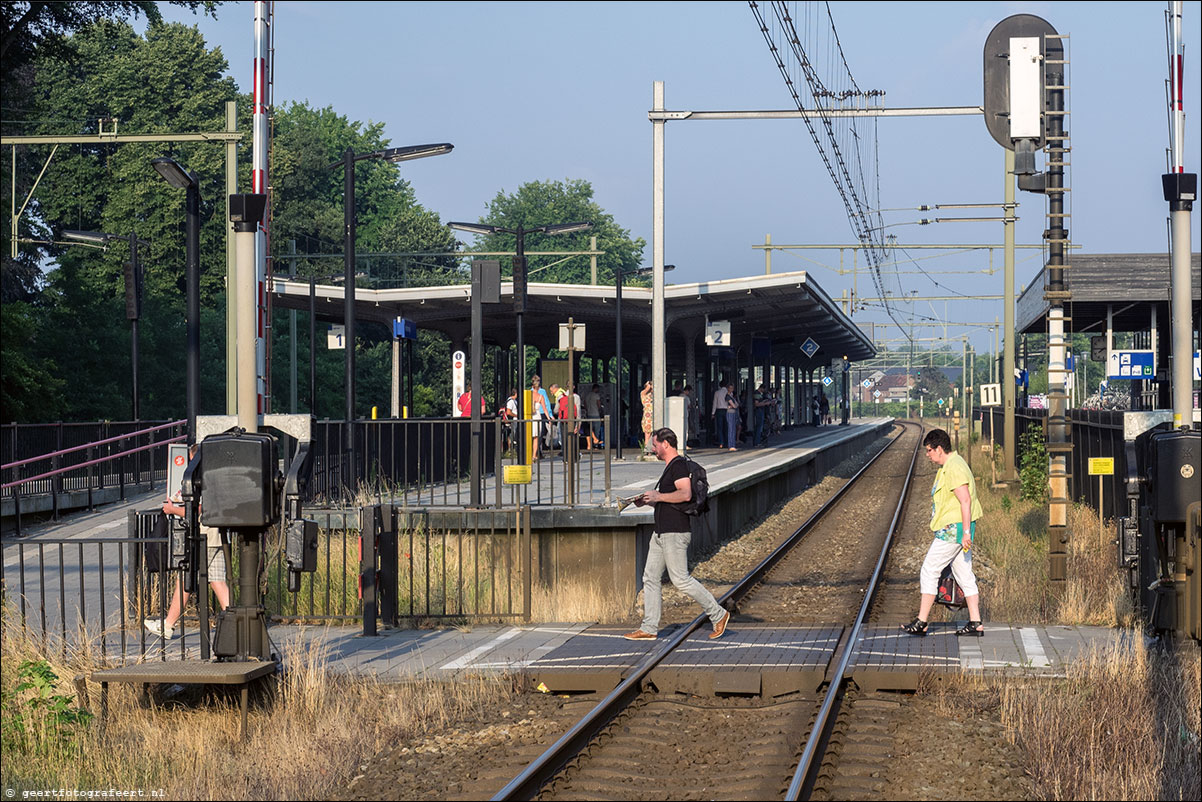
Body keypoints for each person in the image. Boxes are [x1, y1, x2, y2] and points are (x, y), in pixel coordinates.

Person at [623, 427, 730, 641]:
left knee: (680, 579)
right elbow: (669, 499)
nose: (652, 449)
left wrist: (659, 496)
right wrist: (649, 500)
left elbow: (685, 493)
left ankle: (718, 614)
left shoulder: (678, 465)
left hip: (675, 532)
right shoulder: (670, 467)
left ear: (665, 444)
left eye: (654, 445)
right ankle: (649, 627)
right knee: (650, 577)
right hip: (661, 532)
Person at [903, 428, 985, 637]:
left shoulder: (954, 468)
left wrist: (965, 533)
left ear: (939, 449)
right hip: (957, 529)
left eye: (930, 450)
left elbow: (965, 500)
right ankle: (976, 622)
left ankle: (922, 621)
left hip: (954, 530)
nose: (928, 455)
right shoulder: (950, 466)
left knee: (929, 569)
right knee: (964, 574)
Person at [144, 444, 231, 639]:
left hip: (201, 534)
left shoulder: (204, 479)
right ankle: (233, 621)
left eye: (193, 460)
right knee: (217, 579)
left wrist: (173, 510)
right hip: (216, 535)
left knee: (185, 578)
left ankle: (168, 624)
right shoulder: (218, 477)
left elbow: (200, 510)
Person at [584, 383, 604, 450]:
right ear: (596, 388)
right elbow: (599, 405)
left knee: (590, 430)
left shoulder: (587, 396)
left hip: (589, 414)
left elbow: (585, 404)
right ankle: (596, 444)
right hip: (596, 414)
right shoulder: (596, 396)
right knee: (596, 430)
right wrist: (600, 410)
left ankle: (589, 444)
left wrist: (587, 410)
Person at [753, 382, 771, 447]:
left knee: (759, 426)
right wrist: (765, 403)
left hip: (761, 410)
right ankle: (756, 442)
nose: (764, 391)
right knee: (759, 426)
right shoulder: (756, 393)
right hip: (758, 411)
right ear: (761, 388)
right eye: (763, 389)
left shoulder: (760, 394)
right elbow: (756, 404)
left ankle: (757, 441)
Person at [712, 381, 729, 448]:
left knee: (719, 428)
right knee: (726, 427)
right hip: (727, 410)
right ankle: (726, 442)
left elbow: (715, 403)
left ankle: (721, 443)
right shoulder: (728, 392)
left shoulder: (717, 393)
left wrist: (713, 413)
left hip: (719, 410)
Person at [724, 383, 740, 451]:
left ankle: (733, 444)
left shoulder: (732, 396)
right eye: (730, 388)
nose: (732, 389)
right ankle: (731, 445)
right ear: (728, 388)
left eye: (732, 388)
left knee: (733, 429)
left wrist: (734, 405)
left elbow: (737, 404)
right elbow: (734, 405)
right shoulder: (727, 396)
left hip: (733, 413)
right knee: (731, 429)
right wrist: (733, 406)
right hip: (730, 413)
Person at [640, 380, 654, 453]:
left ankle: (651, 449)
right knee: (647, 434)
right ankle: (647, 450)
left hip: (654, 416)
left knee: (654, 434)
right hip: (648, 417)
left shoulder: (654, 395)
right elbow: (644, 392)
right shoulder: (644, 395)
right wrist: (648, 386)